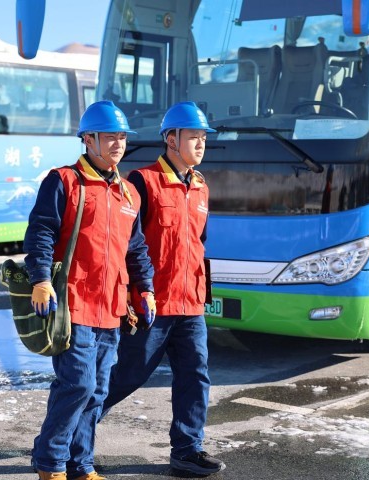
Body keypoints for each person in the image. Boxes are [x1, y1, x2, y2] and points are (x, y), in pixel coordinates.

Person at [23, 100, 156, 480]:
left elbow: (136, 249)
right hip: (74, 304)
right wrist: (40, 279)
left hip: (111, 307)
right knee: (78, 384)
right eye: (109, 137)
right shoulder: (64, 181)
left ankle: (81, 465)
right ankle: (50, 463)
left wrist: (145, 290)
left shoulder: (128, 193)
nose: (118, 144)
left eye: (122, 137)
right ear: (88, 139)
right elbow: (41, 232)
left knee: (97, 392)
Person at [102, 102, 225, 475]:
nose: (201, 144)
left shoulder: (200, 186)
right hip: (152, 303)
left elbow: (198, 244)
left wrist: (201, 291)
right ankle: (66, 437)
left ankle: (187, 450)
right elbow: (127, 244)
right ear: (171, 139)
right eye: (194, 137)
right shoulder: (143, 182)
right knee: (127, 375)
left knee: (195, 375)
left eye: (204, 138)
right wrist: (132, 295)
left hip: (191, 303)